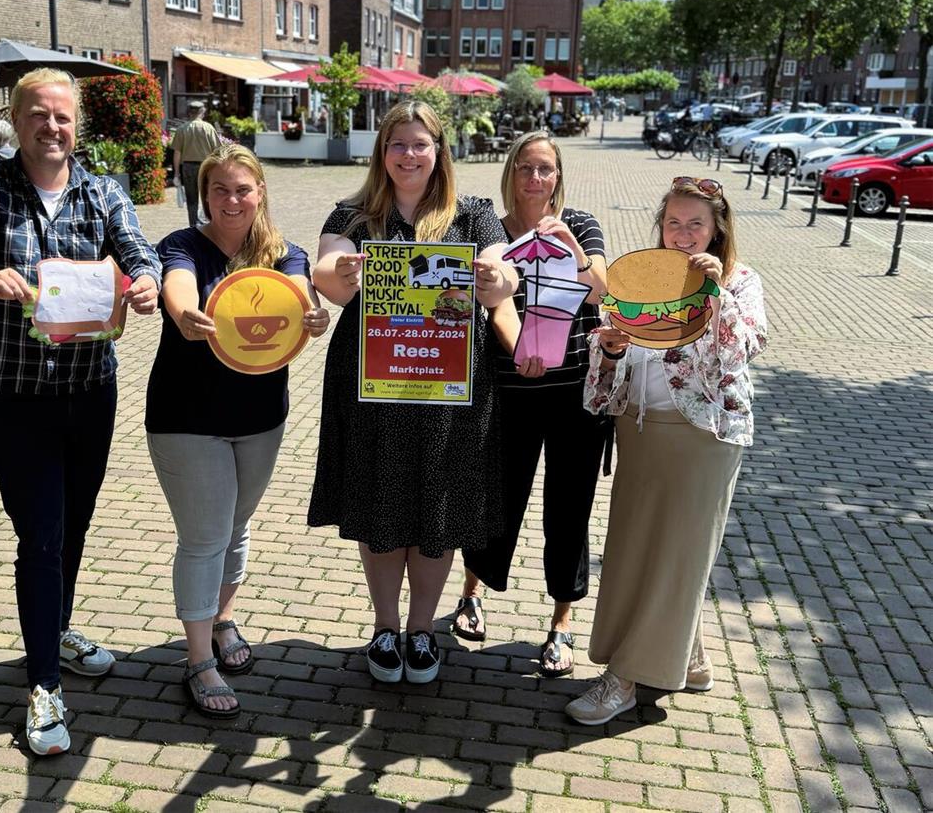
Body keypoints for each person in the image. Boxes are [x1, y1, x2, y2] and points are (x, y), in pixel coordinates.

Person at [0, 68, 161, 755]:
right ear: (17, 119)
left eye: (63, 117)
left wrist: (149, 279)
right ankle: (44, 686)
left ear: (78, 125)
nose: (52, 127)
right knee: (39, 533)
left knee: (73, 524)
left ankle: (57, 627)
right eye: (38, 115)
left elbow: (135, 244)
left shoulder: (102, 190)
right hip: (15, 392)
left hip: (89, 388)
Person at [309, 100, 518, 686]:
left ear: (438, 151)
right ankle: (384, 626)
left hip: (449, 393)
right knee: (380, 506)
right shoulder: (353, 214)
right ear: (382, 152)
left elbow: (503, 276)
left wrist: (498, 280)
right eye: (398, 143)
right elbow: (325, 276)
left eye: (420, 144)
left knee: (437, 508)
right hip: (372, 389)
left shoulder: (471, 214)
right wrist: (339, 274)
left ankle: (422, 630)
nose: (408, 154)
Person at [565, 176, 768, 726]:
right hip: (641, 429)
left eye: (695, 224)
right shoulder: (643, 277)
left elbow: (744, 345)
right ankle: (690, 657)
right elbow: (612, 354)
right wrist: (606, 349)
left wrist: (713, 295)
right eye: (673, 223)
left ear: (717, 229)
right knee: (637, 549)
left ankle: (625, 678)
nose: (681, 234)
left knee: (677, 552)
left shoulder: (740, 281)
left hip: (702, 437)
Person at [146, 143, 330, 719]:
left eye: (242, 189)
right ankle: (198, 660)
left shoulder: (285, 252)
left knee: (237, 525)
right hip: (187, 418)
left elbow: (299, 294)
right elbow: (177, 285)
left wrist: (313, 314)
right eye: (220, 189)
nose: (231, 200)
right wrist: (184, 314)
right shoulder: (183, 245)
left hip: (259, 418)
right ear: (205, 195)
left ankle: (223, 619)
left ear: (260, 194)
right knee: (204, 537)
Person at [454, 131, 608, 678]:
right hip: (511, 390)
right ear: (511, 173)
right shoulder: (491, 231)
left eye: (545, 170)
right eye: (525, 167)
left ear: (558, 176)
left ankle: (562, 625)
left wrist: (570, 244)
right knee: (497, 499)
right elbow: (495, 303)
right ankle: (472, 593)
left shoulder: (582, 225)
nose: (535, 179)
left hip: (576, 396)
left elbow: (601, 292)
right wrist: (519, 347)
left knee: (569, 510)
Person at [172, 101, 222, 228]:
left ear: (189, 112)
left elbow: (177, 153)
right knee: (209, 196)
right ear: (202, 112)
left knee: (191, 198)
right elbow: (217, 151)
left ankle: (193, 225)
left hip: (188, 167)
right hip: (206, 166)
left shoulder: (182, 129)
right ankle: (209, 223)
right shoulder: (208, 128)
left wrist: (176, 174)